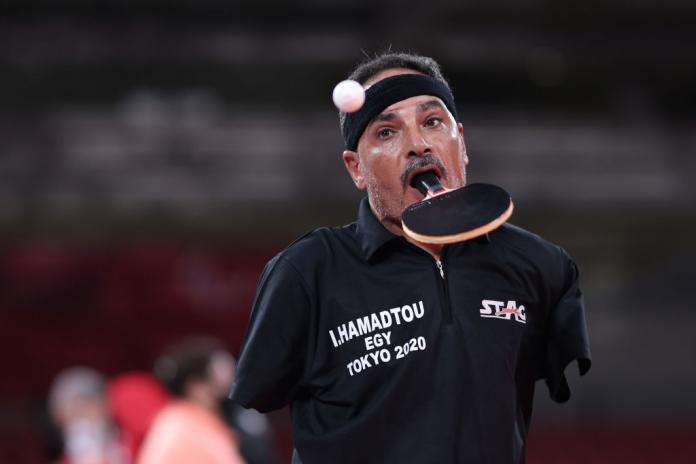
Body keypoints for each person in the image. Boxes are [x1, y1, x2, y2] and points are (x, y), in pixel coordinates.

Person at [230, 52, 592, 464]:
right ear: (356, 169)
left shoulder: (539, 266)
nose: (418, 144)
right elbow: (257, 396)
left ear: (462, 142)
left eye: (432, 122)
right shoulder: (306, 272)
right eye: (386, 132)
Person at [137, 337, 246, 464]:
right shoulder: (185, 429)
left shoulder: (194, 422)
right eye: (221, 385)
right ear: (195, 387)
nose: (228, 389)